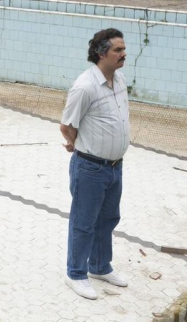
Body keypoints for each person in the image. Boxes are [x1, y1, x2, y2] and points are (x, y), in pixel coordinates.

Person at [60, 28, 130, 300]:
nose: (124, 54)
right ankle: (76, 273)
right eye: (118, 50)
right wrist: (77, 143)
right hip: (90, 167)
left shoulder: (120, 79)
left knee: (108, 218)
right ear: (102, 53)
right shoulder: (84, 86)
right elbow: (67, 126)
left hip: (115, 166)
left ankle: (99, 266)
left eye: (123, 49)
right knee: (84, 222)